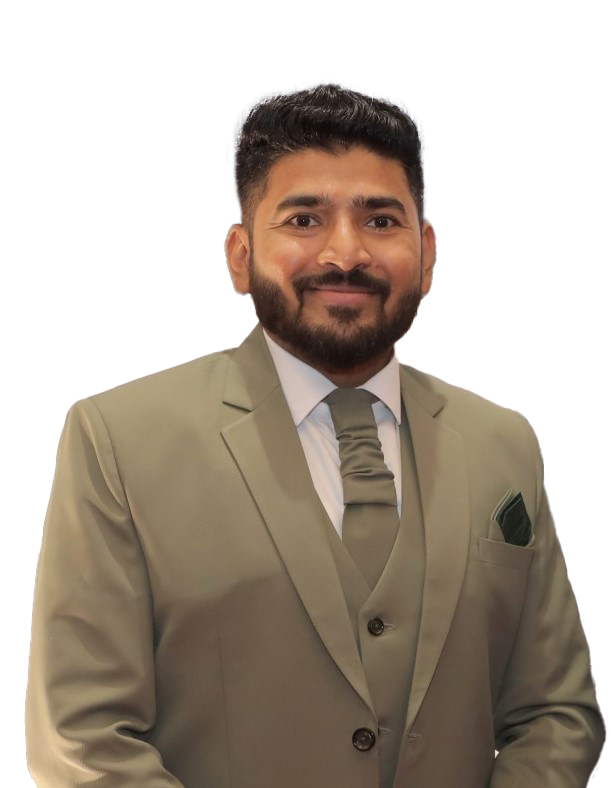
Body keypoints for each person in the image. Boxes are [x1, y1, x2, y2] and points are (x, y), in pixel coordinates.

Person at [26, 84, 604, 787]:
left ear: (426, 252)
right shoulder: (117, 440)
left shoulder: (501, 442)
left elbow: (556, 714)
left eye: (381, 220)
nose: (345, 253)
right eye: (304, 219)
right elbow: (83, 739)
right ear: (240, 254)